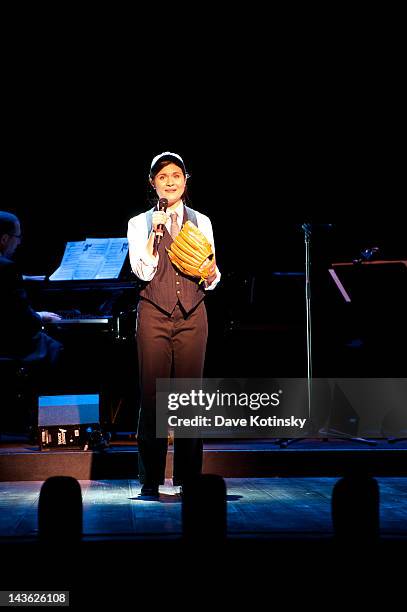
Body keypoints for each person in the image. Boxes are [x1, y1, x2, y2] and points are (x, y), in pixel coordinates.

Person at [127, 152, 221, 497]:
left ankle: (187, 477)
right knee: (153, 397)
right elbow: (143, 271)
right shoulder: (139, 223)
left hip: (193, 313)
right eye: (163, 176)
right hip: (153, 312)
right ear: (152, 182)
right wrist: (156, 233)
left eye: (176, 175)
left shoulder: (201, 220)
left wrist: (212, 274)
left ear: (185, 180)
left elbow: (212, 273)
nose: (170, 181)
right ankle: (150, 479)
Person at [0, 211, 62, 369]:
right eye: (18, 237)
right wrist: (39, 316)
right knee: (61, 348)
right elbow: (23, 321)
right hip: (7, 346)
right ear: (4, 239)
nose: (19, 243)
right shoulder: (6, 268)